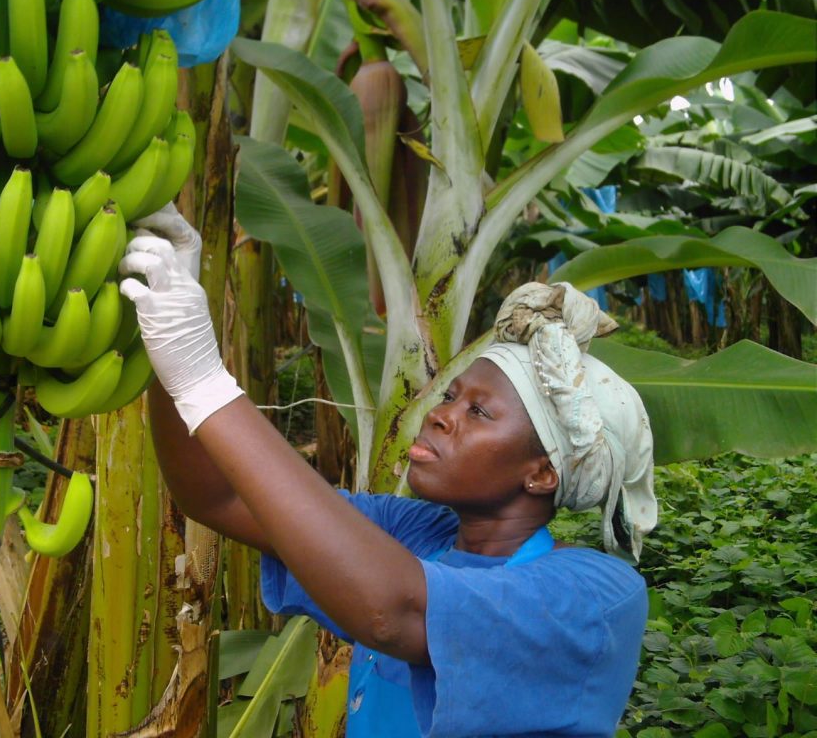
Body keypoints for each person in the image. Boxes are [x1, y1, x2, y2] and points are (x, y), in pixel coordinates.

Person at [118, 204, 658, 737]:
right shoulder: (415, 533)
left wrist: (206, 381)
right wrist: (175, 367)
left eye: (477, 412)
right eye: (450, 396)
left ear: (542, 474)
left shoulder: (598, 597)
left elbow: (393, 611)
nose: (441, 415)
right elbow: (218, 499)